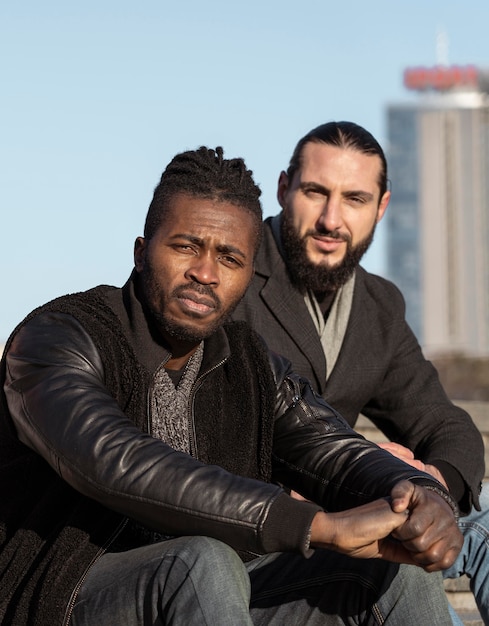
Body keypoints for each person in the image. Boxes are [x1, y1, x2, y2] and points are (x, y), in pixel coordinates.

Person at [0, 146, 462, 626]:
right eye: (185, 246)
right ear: (141, 253)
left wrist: (423, 497)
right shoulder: (58, 337)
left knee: (396, 571)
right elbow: (111, 458)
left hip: (211, 597)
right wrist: (314, 525)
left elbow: (333, 448)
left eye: (230, 257)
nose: (205, 273)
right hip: (58, 593)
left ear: (246, 273)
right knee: (203, 561)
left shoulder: (251, 363)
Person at [231, 121, 488, 622]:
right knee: (400, 570)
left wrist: (431, 482)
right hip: (259, 533)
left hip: (356, 517)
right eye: (315, 192)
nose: (332, 219)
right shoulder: (231, 269)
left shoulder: (377, 305)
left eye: (354, 199)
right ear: (284, 189)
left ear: (381, 207)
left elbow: (444, 424)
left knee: (479, 520)